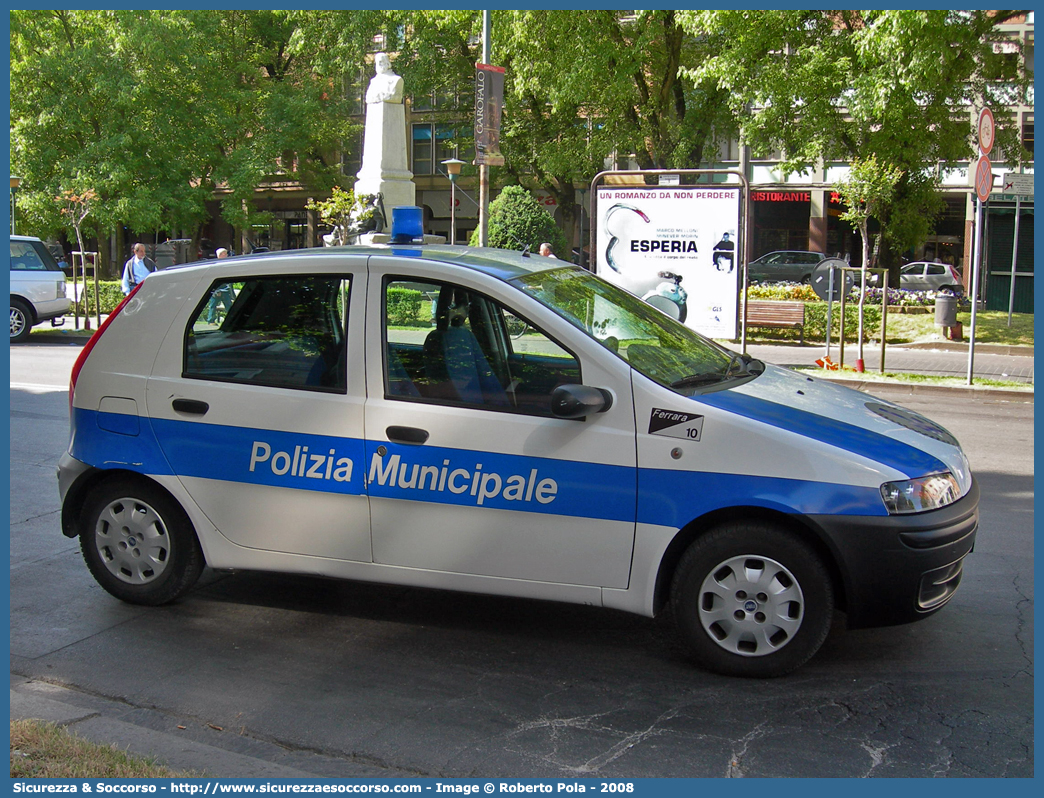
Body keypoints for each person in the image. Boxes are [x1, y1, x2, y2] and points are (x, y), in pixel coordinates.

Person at [206, 247, 234, 324]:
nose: (226, 255)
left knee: (229, 307)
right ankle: (211, 321)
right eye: (224, 254)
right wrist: (216, 290)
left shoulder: (227, 265)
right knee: (213, 306)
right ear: (220, 255)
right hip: (217, 290)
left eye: (226, 253)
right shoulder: (216, 265)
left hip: (226, 290)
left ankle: (232, 321)